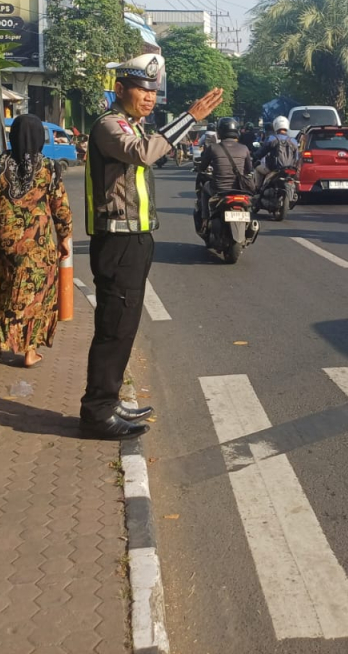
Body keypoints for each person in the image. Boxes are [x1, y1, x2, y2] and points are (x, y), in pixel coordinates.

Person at [81, 54, 223, 440]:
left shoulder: (132, 125)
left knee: (125, 326)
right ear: (120, 89)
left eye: (153, 92)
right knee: (114, 327)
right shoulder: (109, 125)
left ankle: (108, 400)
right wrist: (190, 117)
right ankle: (96, 411)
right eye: (142, 90)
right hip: (117, 241)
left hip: (136, 239)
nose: (149, 97)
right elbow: (144, 153)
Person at [0, 114, 72, 370]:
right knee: (35, 297)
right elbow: (60, 207)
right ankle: (29, 353)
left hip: (2, 242)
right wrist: (64, 238)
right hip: (37, 245)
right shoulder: (49, 167)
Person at [197, 116, 256, 230]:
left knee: (204, 189)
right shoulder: (244, 148)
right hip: (240, 188)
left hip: (219, 188)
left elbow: (202, 167)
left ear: (219, 132)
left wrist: (201, 169)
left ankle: (205, 219)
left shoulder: (213, 148)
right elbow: (249, 170)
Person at [254, 116, 300, 181]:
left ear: (275, 126)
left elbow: (261, 152)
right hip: (290, 170)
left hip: (273, 169)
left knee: (257, 169)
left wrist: (255, 157)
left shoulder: (271, 139)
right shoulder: (293, 141)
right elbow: (297, 158)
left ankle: (258, 187)